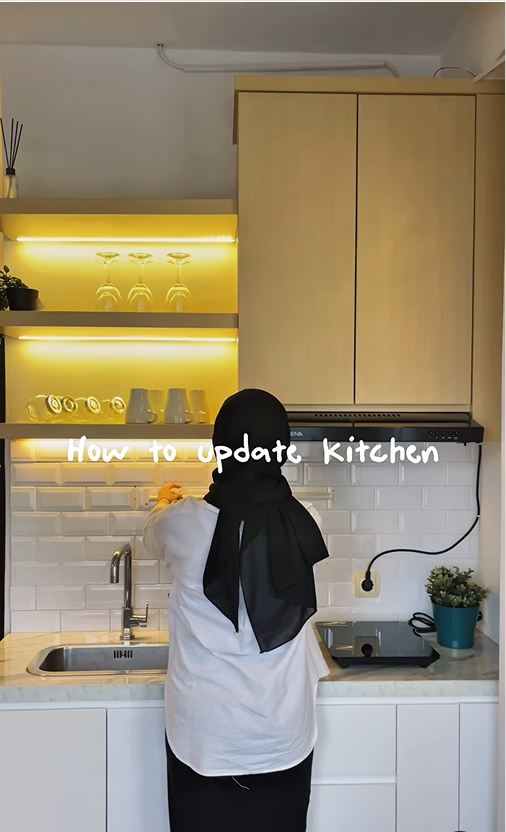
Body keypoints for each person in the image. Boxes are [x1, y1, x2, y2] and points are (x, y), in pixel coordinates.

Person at [143, 389, 330, 832]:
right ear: (281, 448)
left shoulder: (179, 523)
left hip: (202, 735)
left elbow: (153, 535)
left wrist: (165, 501)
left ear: (220, 446)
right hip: (281, 734)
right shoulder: (307, 520)